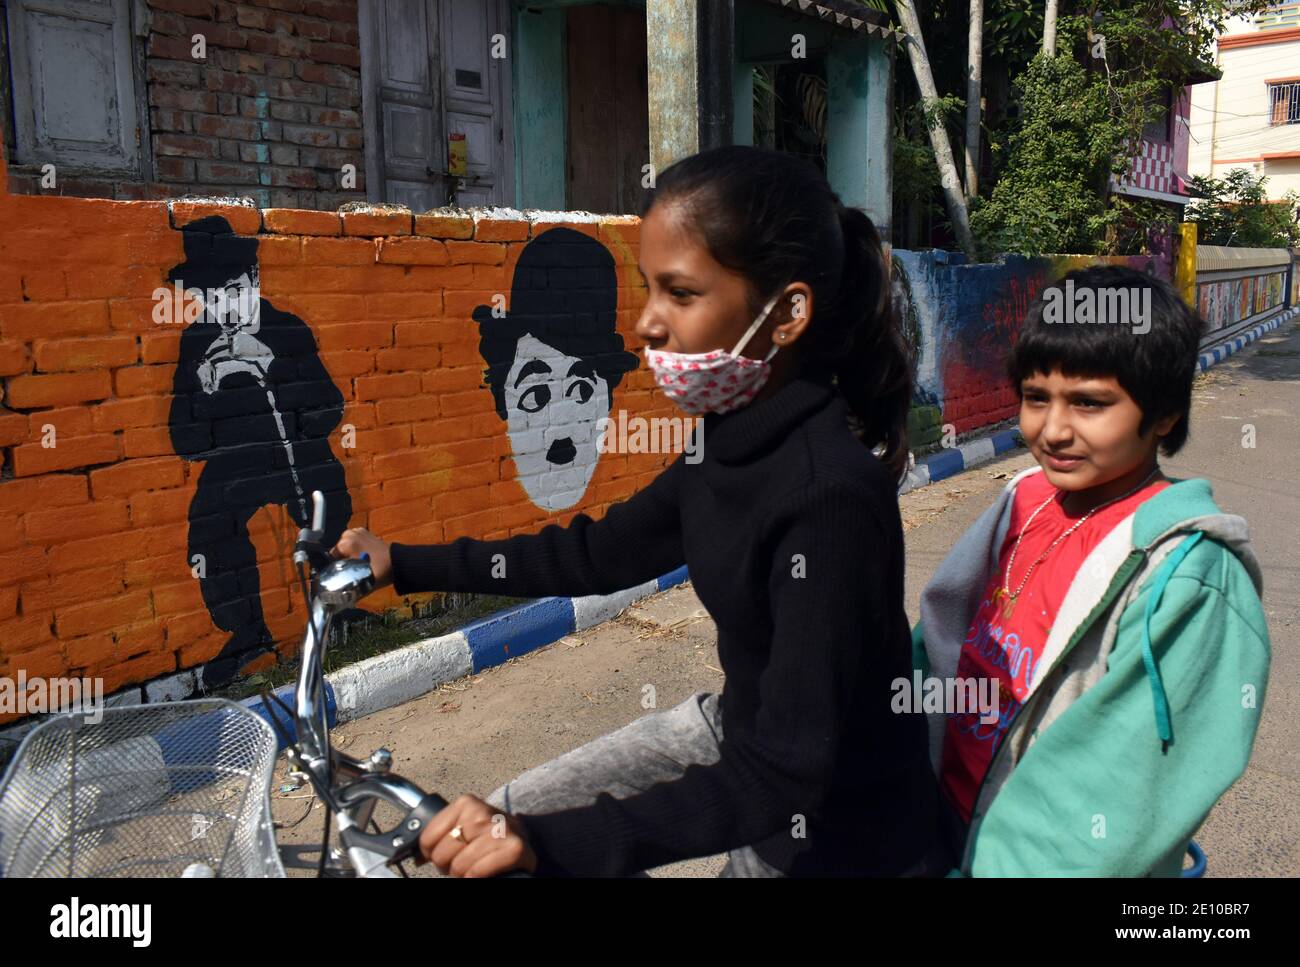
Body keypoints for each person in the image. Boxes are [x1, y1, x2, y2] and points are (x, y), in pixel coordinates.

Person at [330, 145, 949, 877]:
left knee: (520, 843)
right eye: (649, 289)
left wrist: (549, 845)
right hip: (733, 736)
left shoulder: (828, 495)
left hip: (834, 833)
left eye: (680, 294)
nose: (647, 325)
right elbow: (597, 553)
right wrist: (401, 562)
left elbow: (786, 773)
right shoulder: (726, 439)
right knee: (489, 822)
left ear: (786, 313)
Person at [913, 265, 1271, 876]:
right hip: (938, 826)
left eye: (1089, 403)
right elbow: (936, 647)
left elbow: (1109, 807)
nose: (1053, 431)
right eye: (1035, 398)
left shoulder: (1189, 578)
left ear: (1162, 414)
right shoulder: (1025, 502)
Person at [167, 215, 352, 688]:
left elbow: (330, 408)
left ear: (253, 279)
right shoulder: (197, 341)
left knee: (327, 498)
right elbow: (182, 441)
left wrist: (274, 373)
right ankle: (248, 631)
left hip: (298, 456)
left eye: (230, 291)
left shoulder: (286, 328)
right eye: (208, 297)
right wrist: (205, 393)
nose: (221, 307)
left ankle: (338, 610)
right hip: (236, 466)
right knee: (209, 529)